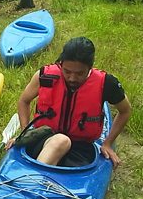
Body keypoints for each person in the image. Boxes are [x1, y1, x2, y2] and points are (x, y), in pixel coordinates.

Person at [10, 36, 132, 167]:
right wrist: (25, 133)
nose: (72, 78)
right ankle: (37, 180)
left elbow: (125, 110)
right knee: (61, 140)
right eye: (67, 71)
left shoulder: (107, 83)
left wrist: (107, 143)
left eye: (79, 73)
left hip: (81, 148)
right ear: (61, 64)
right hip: (44, 138)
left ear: (90, 68)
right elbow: (24, 101)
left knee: (63, 142)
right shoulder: (45, 75)